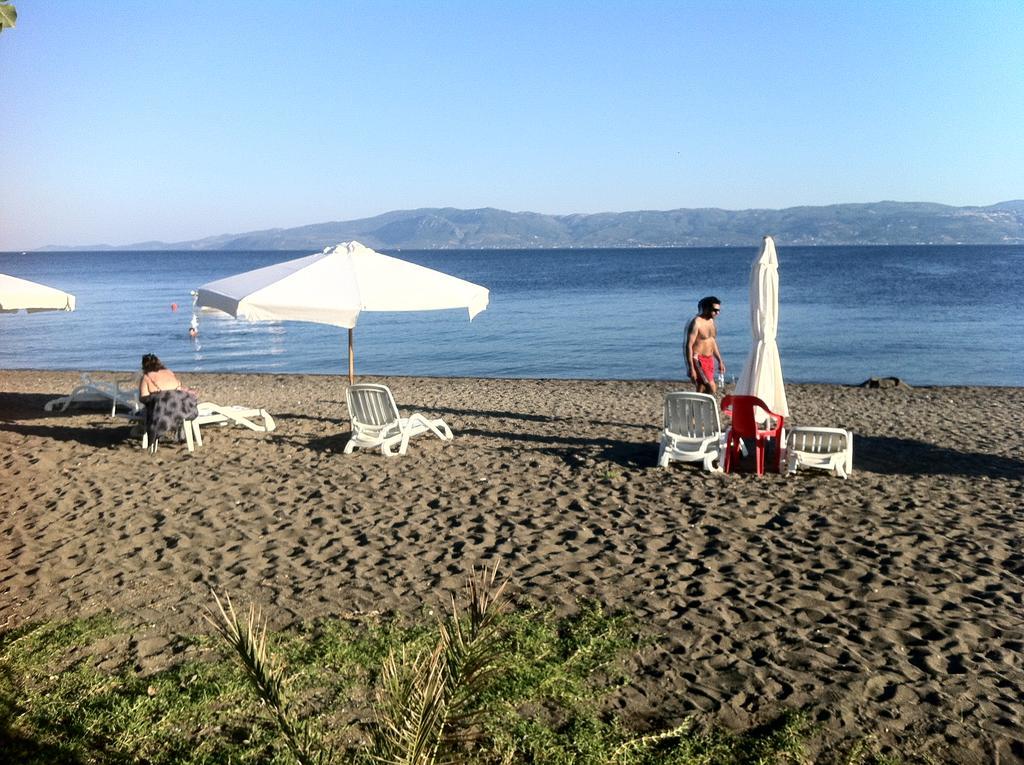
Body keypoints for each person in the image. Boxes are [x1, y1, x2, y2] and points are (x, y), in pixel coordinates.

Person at [685, 296, 726, 394]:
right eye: (715, 310)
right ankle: (701, 407)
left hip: (709, 359)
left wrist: (720, 360)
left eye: (718, 310)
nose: (717, 313)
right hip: (698, 359)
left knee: (702, 386)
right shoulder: (696, 323)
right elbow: (689, 345)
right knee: (711, 387)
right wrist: (691, 367)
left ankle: (697, 408)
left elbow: (712, 342)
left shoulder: (711, 321)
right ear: (706, 308)